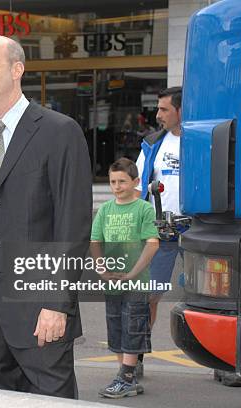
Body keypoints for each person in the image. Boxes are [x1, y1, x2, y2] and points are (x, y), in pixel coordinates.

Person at [0, 35, 92, 398]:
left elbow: (72, 225)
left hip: (40, 312)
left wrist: (56, 303)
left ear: (17, 70)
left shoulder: (60, 131)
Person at [90, 158, 159, 398]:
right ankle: (124, 375)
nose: (117, 186)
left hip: (136, 281)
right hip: (112, 283)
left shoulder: (144, 209)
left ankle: (126, 377)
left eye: (122, 181)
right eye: (112, 182)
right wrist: (102, 270)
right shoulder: (106, 210)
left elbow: (152, 244)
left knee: (133, 325)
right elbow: (96, 241)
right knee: (116, 327)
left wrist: (132, 274)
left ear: (136, 182)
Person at [135, 86, 185, 376]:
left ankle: (224, 364)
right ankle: (136, 358)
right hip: (162, 232)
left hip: (201, 232)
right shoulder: (153, 144)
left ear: (181, 110)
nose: (158, 115)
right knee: (148, 297)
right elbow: (140, 186)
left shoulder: (204, 141)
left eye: (164, 109)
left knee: (214, 300)